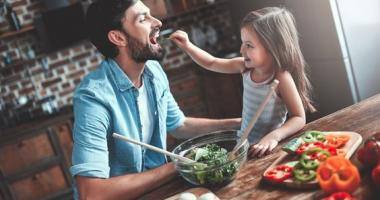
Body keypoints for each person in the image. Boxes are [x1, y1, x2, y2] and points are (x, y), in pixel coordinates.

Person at [70, 0, 241, 199]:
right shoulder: (93, 98)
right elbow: (92, 193)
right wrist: (179, 165)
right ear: (118, 37)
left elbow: (179, 124)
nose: (157, 22)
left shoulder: (152, 70)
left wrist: (239, 124)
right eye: (143, 19)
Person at [170, 7, 316, 159]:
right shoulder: (244, 67)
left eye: (249, 45)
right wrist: (188, 46)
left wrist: (274, 137)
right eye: (242, 43)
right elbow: (211, 63)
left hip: (268, 149)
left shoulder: (280, 77)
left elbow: (299, 118)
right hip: (244, 146)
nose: (241, 50)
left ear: (272, 47)